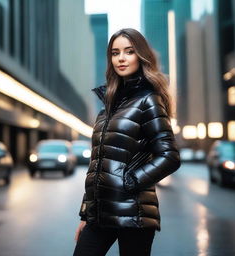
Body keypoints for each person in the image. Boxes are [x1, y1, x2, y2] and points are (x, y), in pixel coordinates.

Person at [73, 28, 181, 256]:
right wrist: (86, 214)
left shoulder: (148, 100)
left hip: (135, 215)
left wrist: (129, 182)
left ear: (140, 56)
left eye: (129, 52)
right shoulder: (106, 109)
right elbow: (97, 165)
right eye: (115, 53)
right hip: (100, 215)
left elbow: (169, 156)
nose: (121, 58)